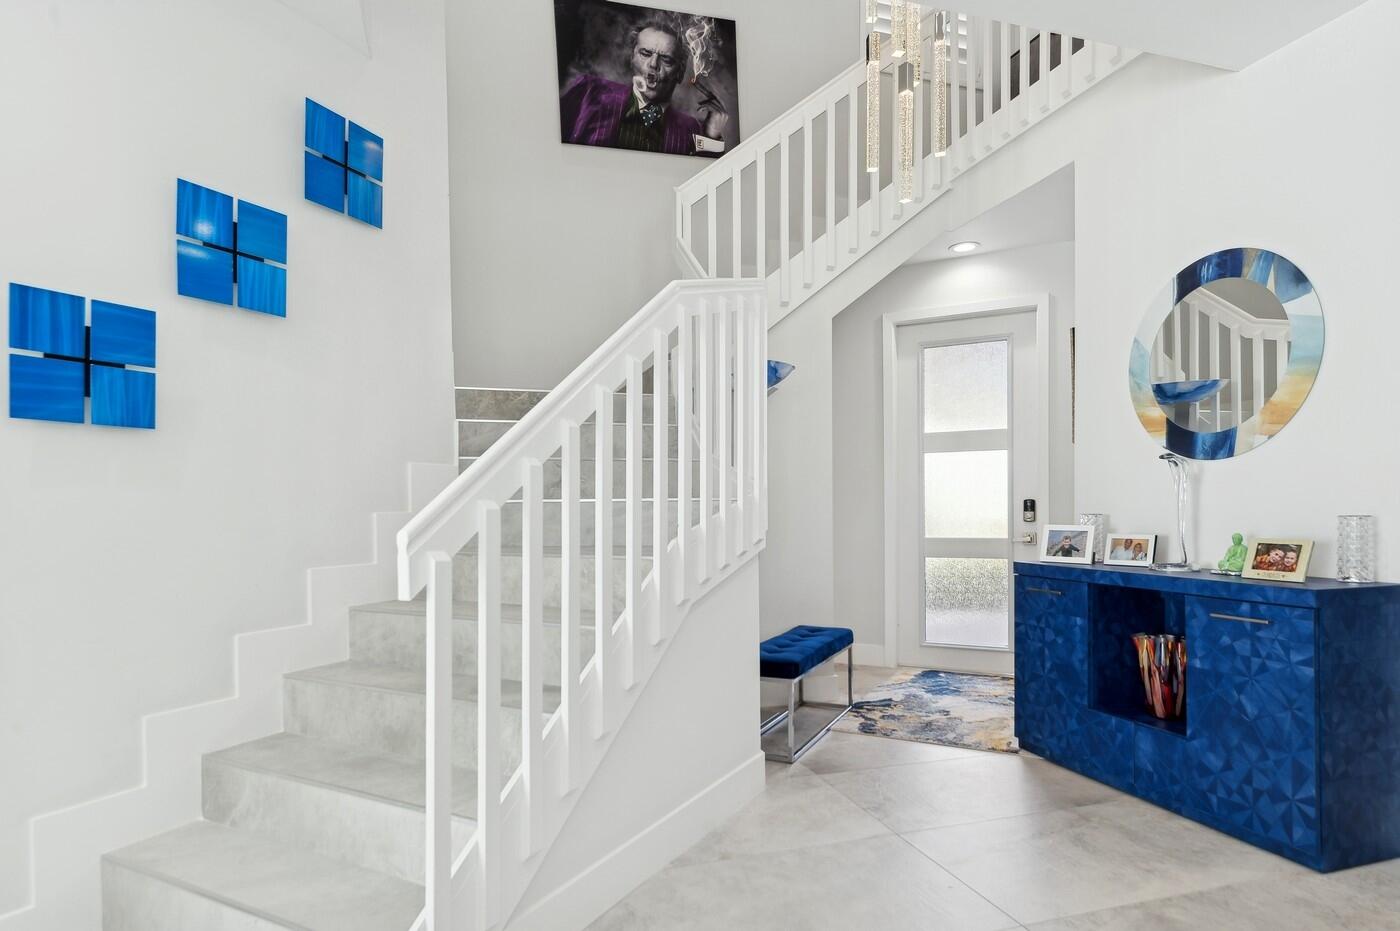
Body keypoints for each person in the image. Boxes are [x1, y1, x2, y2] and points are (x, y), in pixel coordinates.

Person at [559, 20, 729, 157]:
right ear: (632, 58)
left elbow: (704, 180)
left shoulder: (692, 129)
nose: (653, 64)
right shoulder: (589, 93)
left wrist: (712, 136)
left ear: (680, 73)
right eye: (646, 54)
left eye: (666, 60)